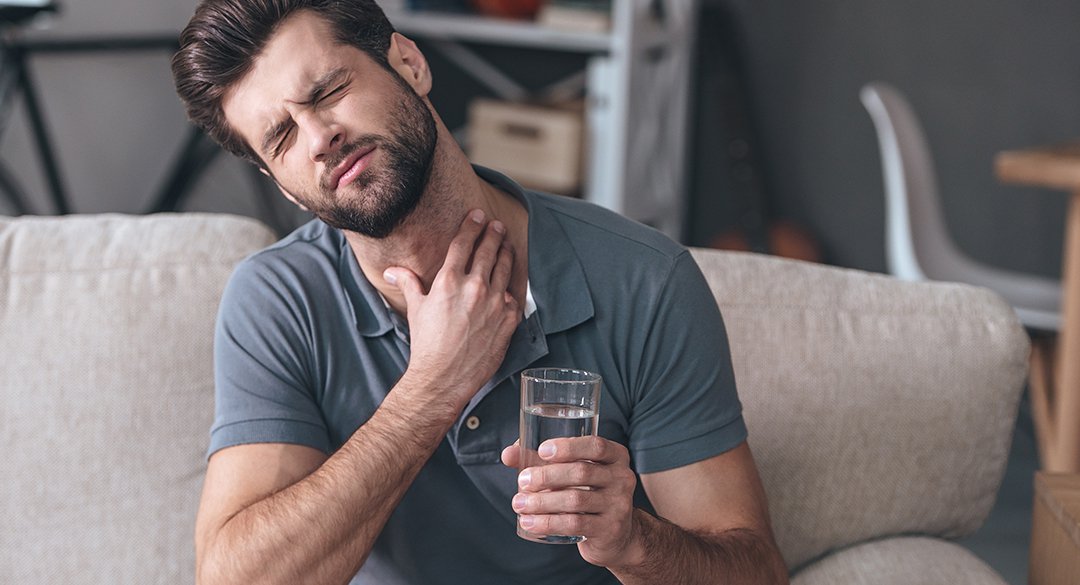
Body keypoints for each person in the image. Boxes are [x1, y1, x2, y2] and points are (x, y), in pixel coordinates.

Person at [171, 1, 789, 583]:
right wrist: (432, 387)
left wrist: (633, 541)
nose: (318, 137)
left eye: (329, 91)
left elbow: (755, 571)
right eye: (281, 137)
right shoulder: (278, 300)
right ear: (277, 181)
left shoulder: (643, 280)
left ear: (409, 64)